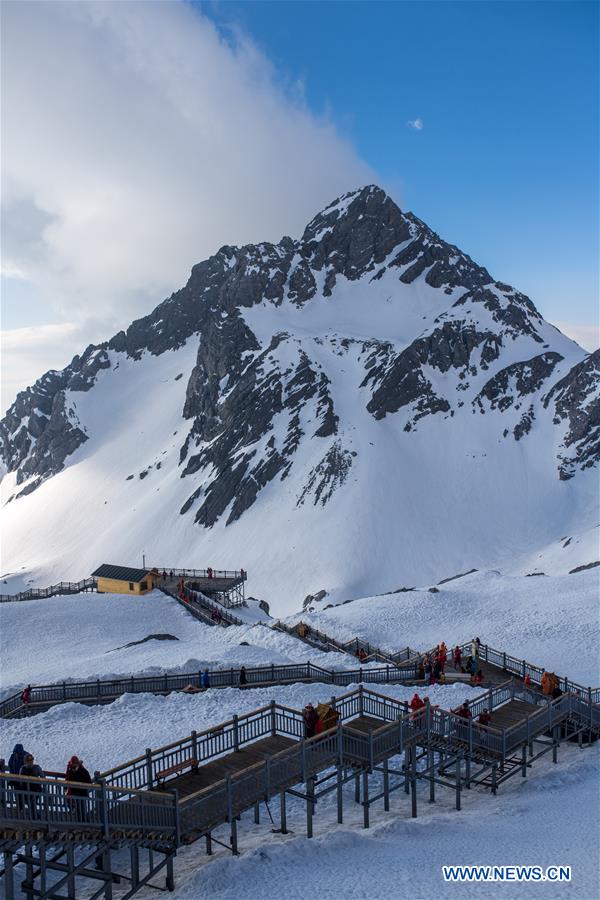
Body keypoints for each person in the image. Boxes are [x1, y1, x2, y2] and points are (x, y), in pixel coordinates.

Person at [19, 753, 43, 819]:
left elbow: (43, 777)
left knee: (32, 803)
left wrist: (39, 781)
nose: (30, 762)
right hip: (26, 789)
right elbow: (20, 779)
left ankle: (35, 817)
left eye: (31, 760)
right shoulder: (22, 768)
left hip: (36, 789)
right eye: (28, 761)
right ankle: (36, 816)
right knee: (30, 803)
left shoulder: (37, 768)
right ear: (25, 761)